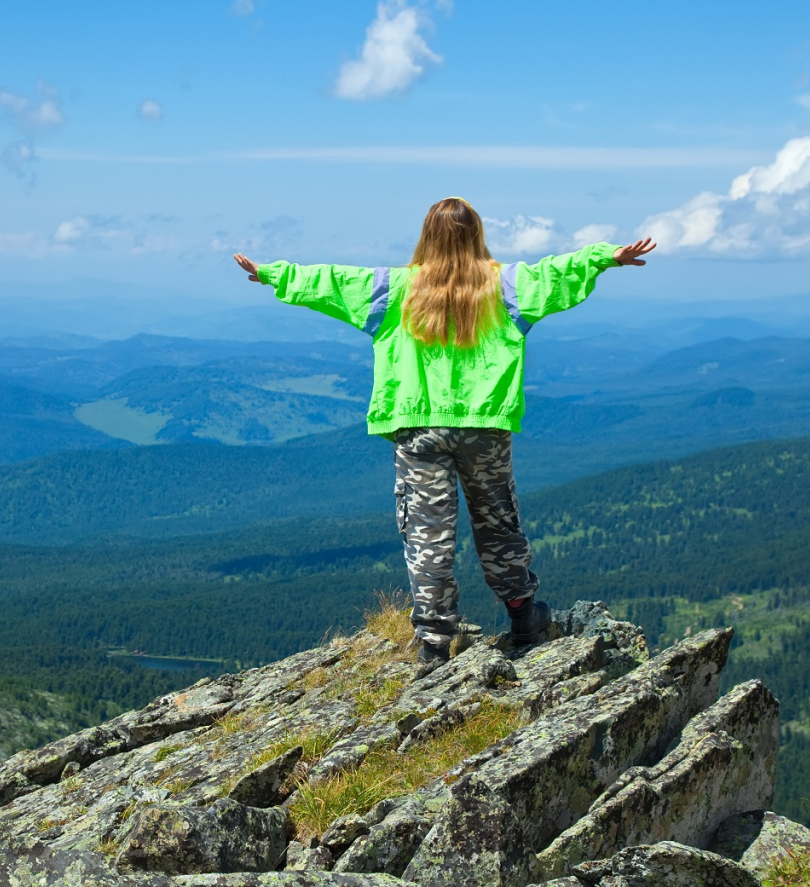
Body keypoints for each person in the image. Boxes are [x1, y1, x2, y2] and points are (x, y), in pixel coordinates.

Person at [233, 197, 655, 665]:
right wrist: (605, 257)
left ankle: (433, 642)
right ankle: (523, 615)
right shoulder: (508, 287)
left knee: (427, 531)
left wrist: (273, 273)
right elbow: (559, 271)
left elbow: (331, 281)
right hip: (484, 425)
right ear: (476, 235)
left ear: (426, 237)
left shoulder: (392, 289)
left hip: (417, 426)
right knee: (498, 521)